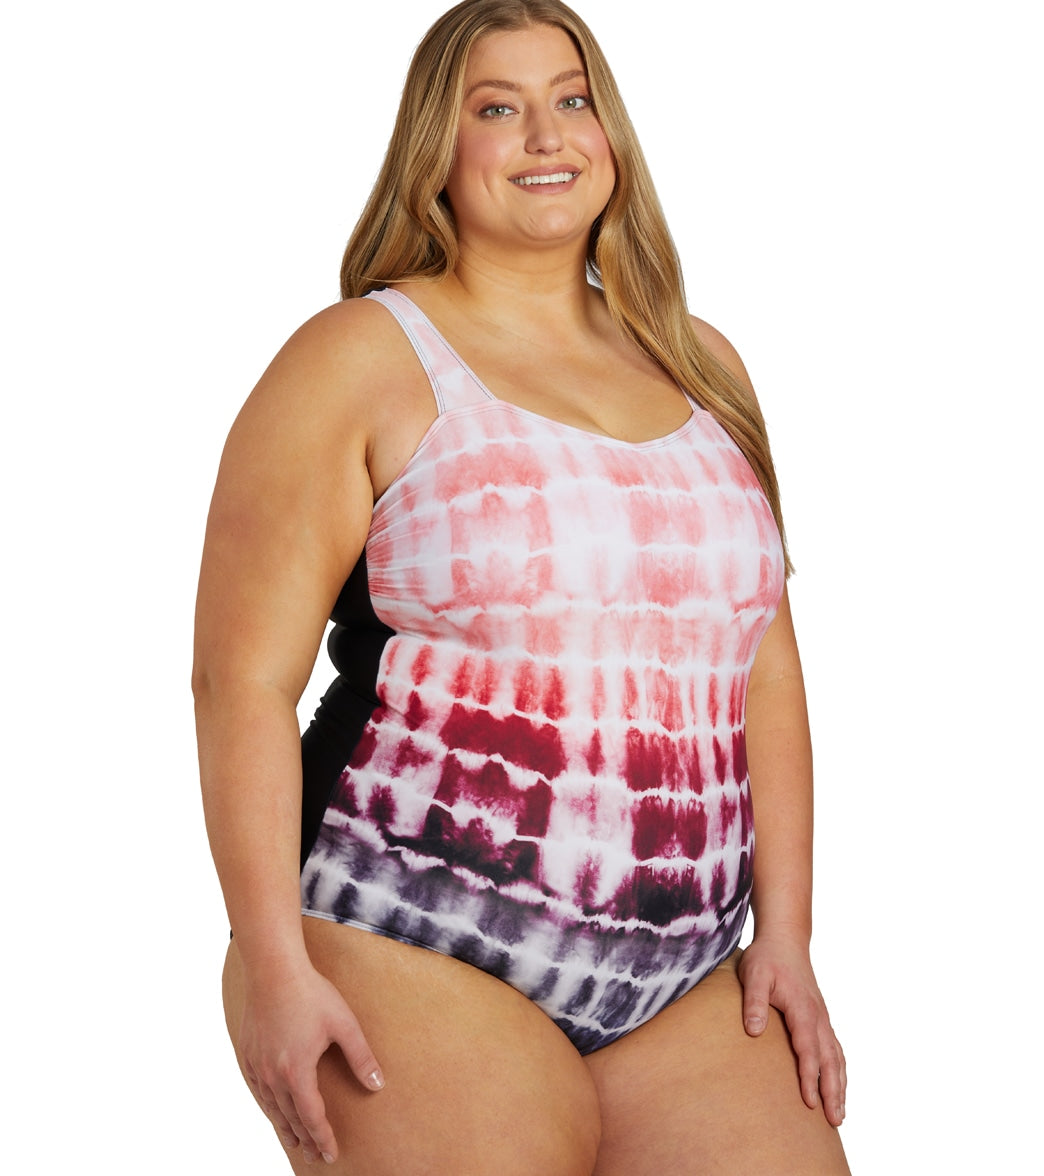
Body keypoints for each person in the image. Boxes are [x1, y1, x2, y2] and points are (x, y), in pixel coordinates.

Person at [193, 1, 849, 1171]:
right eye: (497, 108)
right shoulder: (359, 357)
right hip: (409, 941)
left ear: (611, 134)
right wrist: (272, 965)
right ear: (437, 152)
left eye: (572, 99)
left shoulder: (703, 365)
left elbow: (765, 672)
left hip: (688, 986)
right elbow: (239, 682)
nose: (547, 136)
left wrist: (788, 934)